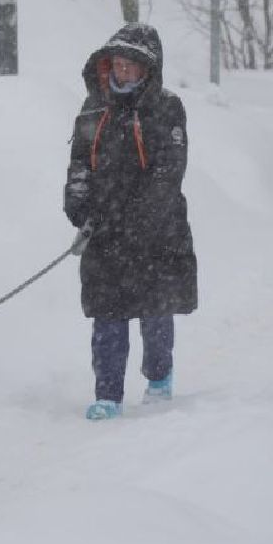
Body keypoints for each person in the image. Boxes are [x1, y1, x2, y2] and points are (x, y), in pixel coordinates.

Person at [63, 23, 198, 420]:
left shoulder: (167, 108)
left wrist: (138, 215)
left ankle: (159, 377)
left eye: (130, 67)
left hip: (156, 233)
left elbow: (170, 171)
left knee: (155, 310)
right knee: (108, 314)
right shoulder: (92, 110)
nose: (121, 72)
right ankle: (108, 393)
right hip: (105, 235)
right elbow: (78, 166)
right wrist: (79, 203)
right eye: (116, 65)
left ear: (147, 71)